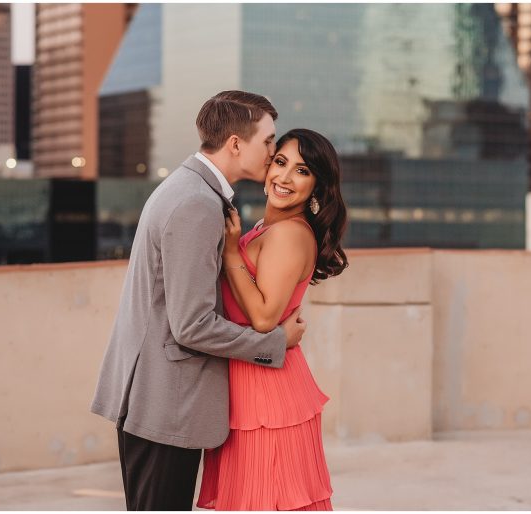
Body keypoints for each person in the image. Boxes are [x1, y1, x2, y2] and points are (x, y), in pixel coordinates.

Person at [90, 91, 307, 510]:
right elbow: (191, 325)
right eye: (268, 141)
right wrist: (275, 343)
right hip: (166, 402)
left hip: (155, 396)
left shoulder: (189, 187)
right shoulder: (197, 203)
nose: (272, 152)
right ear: (236, 144)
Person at [197, 128, 348, 510]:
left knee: (266, 498)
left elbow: (264, 317)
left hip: (267, 392)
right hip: (252, 380)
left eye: (302, 171)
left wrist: (231, 250)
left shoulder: (289, 236)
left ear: (316, 186)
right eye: (280, 162)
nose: (283, 177)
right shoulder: (269, 228)